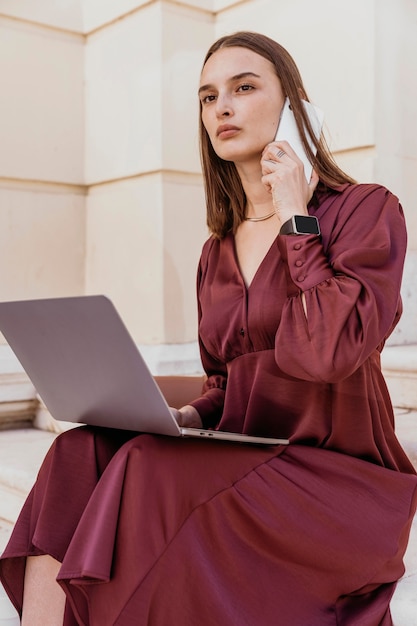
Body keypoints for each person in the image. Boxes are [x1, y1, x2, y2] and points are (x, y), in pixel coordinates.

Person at [1, 30, 416, 626]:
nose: (221, 107)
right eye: (207, 96)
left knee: (147, 469)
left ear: (295, 106)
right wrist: (187, 417)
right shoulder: (215, 252)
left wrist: (297, 215)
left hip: (336, 481)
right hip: (243, 457)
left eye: (244, 88)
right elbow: (226, 382)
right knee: (77, 452)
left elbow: (328, 351)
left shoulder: (365, 210)